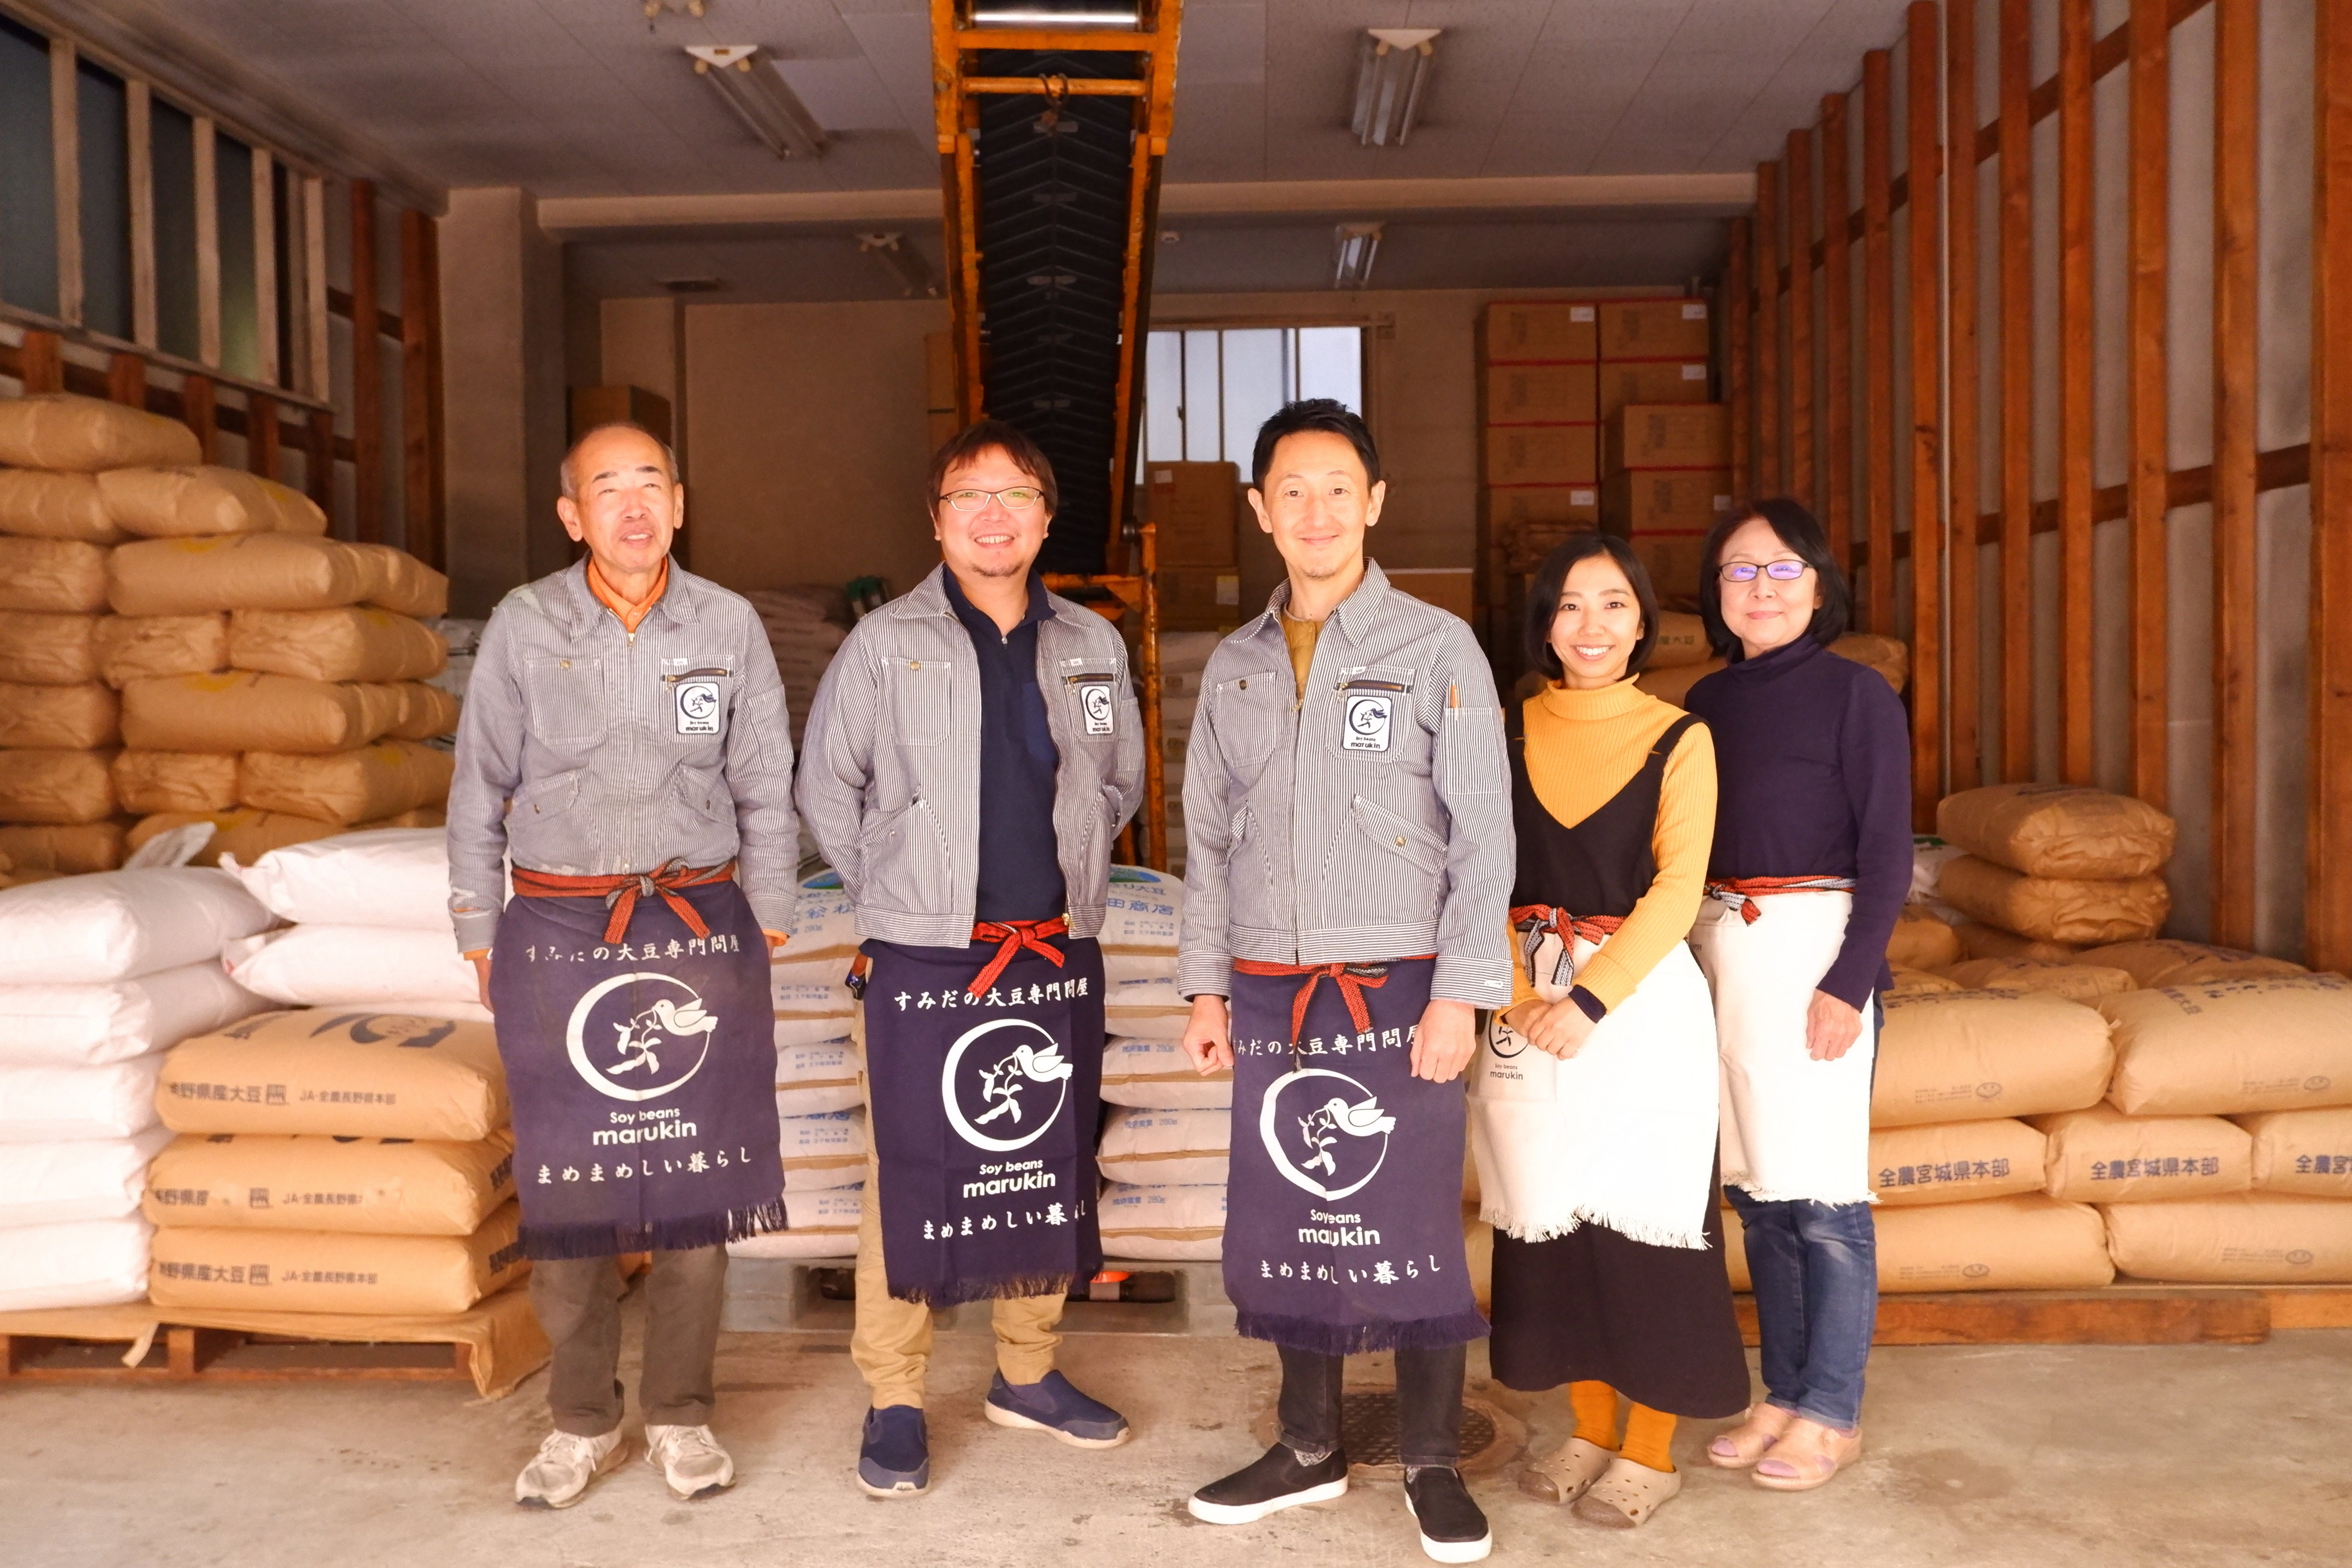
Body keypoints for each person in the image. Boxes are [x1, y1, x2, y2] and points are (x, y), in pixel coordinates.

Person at [1176, 399, 1512, 1565]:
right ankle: (1308, 1444)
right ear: (1261, 511)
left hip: (1400, 980)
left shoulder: (1436, 645)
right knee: (1292, 1215)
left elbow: (1484, 831)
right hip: (1271, 981)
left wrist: (1461, 991)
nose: (1315, 511)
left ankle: (1431, 1457)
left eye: (1337, 488)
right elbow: (1204, 837)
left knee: (1410, 1221)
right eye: (1292, 490)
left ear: (1373, 502)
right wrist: (1206, 990)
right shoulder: (1236, 664)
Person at [448, 422, 797, 1510]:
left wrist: (768, 921)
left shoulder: (727, 624)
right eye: (609, 488)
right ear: (573, 515)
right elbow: (478, 786)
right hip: (559, 929)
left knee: (698, 1184)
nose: (635, 505)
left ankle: (682, 1414)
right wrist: (476, 926)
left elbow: (765, 783)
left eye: (652, 484)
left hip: (697, 920)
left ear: (680, 504)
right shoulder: (526, 624)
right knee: (572, 1188)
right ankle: (582, 1421)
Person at [797, 419, 1144, 1499]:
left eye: (1015, 495)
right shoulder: (884, 644)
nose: (994, 515)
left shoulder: (1091, 643)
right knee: (910, 1173)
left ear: (1045, 517)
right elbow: (826, 787)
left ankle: (1026, 1373)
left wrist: (1074, 860)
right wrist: (899, 892)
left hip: (1053, 947)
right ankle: (895, 1395)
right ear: (937, 521)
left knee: (1041, 1163)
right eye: (969, 496)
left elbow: (1120, 778)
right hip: (928, 959)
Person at [1468, 533, 1748, 1529]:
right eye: (1570, 605)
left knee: (1647, 1222)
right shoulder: (1502, 730)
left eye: (1615, 604)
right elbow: (1475, 870)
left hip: (1639, 1007)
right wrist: (1515, 992)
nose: (1592, 625)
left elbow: (1679, 887)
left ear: (1643, 622)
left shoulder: (1680, 738)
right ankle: (1589, 1427)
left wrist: (1586, 1001)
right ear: (1544, 623)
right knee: (1550, 1216)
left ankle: (1649, 1450)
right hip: (1522, 999)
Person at [1681, 498, 1910, 1491]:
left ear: (1820, 586)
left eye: (1783, 570)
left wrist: (1849, 984)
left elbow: (1889, 853)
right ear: (1715, 592)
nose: (1761, 589)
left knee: (1823, 1199)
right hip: (1724, 953)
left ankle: (1833, 1409)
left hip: (1817, 952)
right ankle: (1782, 1391)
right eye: (1740, 570)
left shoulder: (1859, 695)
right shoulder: (1706, 702)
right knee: (1759, 1199)